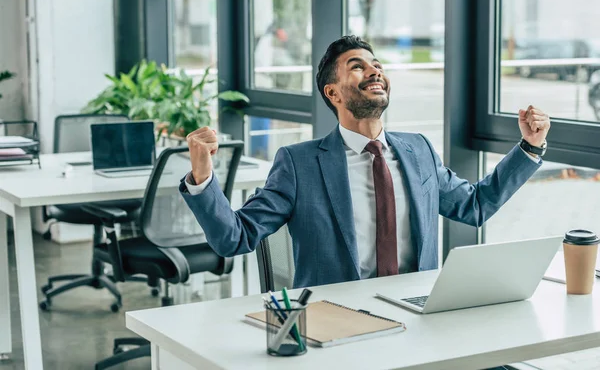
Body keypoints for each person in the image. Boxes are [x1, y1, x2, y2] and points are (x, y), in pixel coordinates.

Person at [180, 35, 551, 289]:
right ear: (333, 92)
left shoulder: (418, 150)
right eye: (357, 67)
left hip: (416, 312)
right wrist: (202, 175)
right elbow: (236, 238)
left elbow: (475, 206)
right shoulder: (299, 163)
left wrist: (530, 148)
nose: (375, 72)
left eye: (377, 65)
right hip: (337, 320)